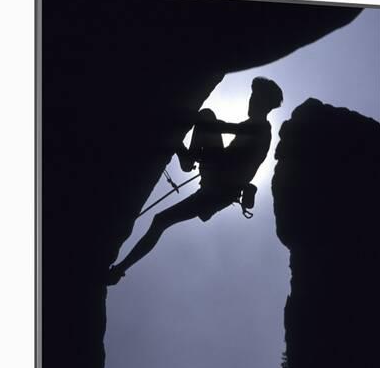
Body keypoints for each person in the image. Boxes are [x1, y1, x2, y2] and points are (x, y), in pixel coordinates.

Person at [107, 77, 283, 285]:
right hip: (216, 183)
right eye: (252, 96)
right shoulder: (253, 127)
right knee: (160, 221)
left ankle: (120, 270)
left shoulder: (262, 129)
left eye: (256, 98)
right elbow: (227, 143)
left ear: (265, 104)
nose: (251, 101)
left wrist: (187, 119)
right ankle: (187, 157)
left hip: (220, 188)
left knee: (160, 221)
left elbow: (225, 132)